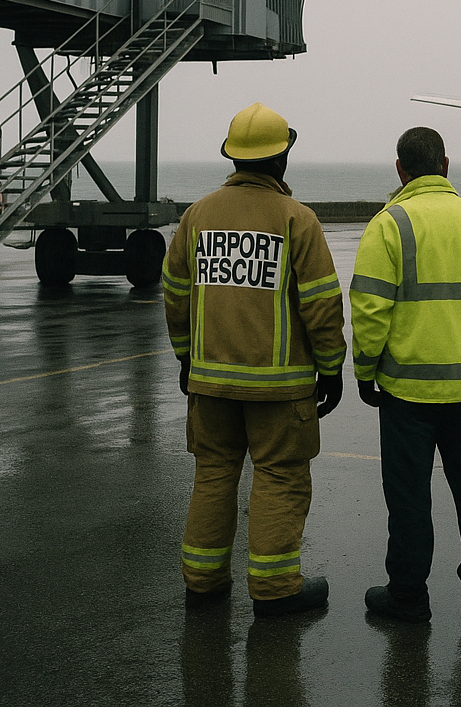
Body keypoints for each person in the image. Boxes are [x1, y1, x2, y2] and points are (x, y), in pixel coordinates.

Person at [162, 103, 347, 616]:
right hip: (279, 390)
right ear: (282, 157)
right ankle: (274, 590)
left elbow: (175, 293)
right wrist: (331, 367)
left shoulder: (197, 216)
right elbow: (321, 304)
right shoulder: (297, 220)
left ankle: (202, 581)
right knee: (279, 478)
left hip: (209, 384)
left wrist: (186, 356)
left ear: (233, 156)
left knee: (214, 474)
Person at [350, 127, 461, 623]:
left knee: (408, 496)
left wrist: (364, 373)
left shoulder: (389, 224)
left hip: (406, 392)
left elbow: (369, 311)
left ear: (400, 170)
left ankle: (408, 596)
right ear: (447, 164)